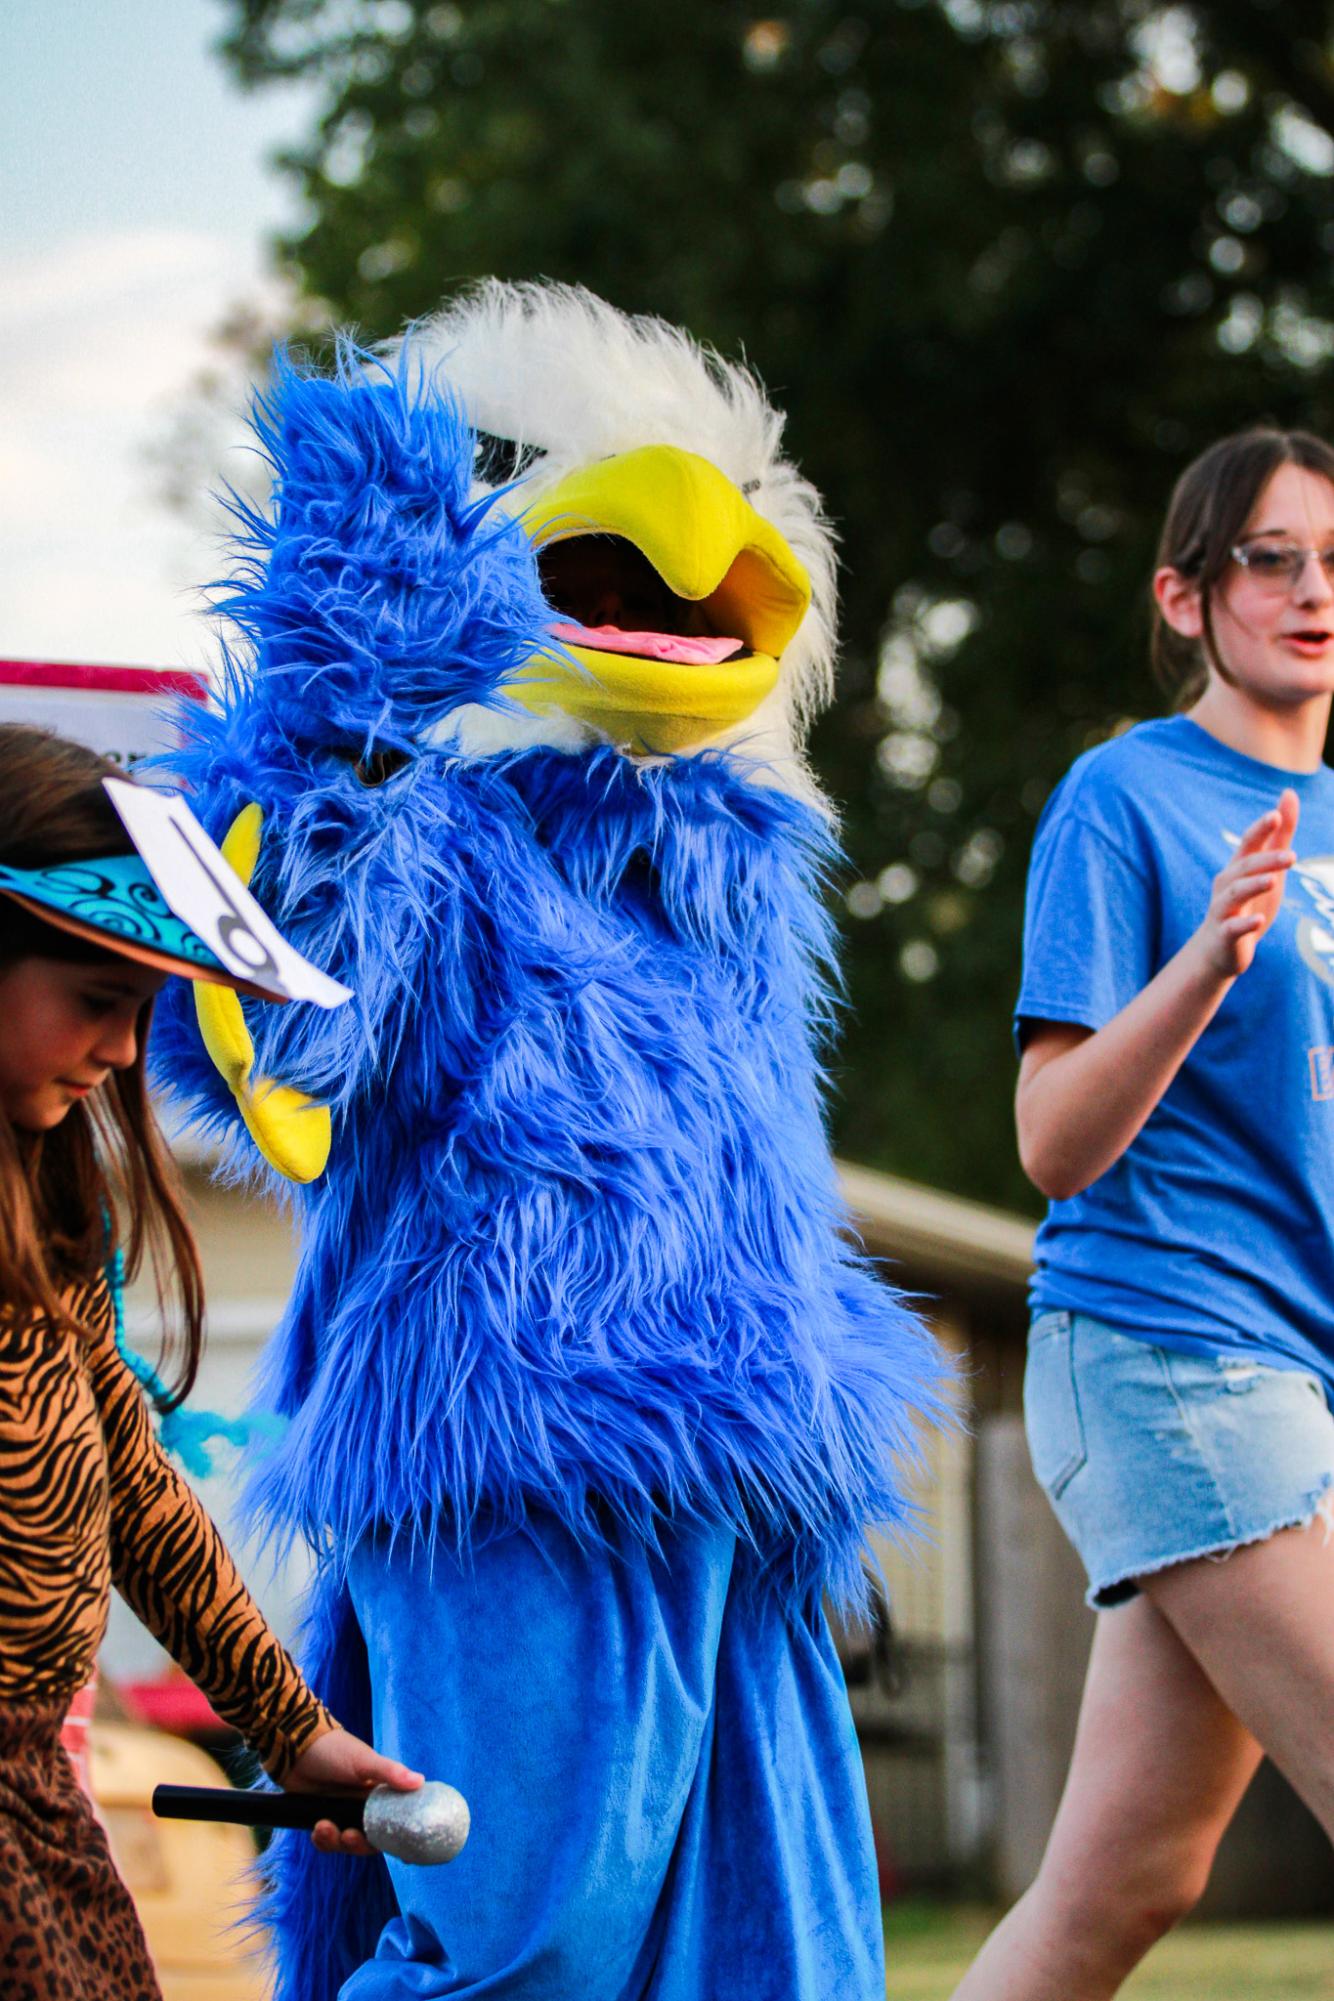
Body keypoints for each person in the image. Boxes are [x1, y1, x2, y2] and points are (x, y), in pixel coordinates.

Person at [953, 427, 1334, 2001]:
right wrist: (1200, 964)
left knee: (1121, 1887)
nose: (1313, 590)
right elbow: (1051, 1141)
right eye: (1271, 556)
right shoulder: (1126, 798)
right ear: (1185, 597)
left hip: (1290, 1374)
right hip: (1171, 1353)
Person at [0, 724, 421, 2001]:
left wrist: (292, 1730)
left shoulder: (46, 1198)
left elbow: (130, 1482)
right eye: (95, 1001)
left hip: (34, 1815)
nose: (127, 1053)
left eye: (141, 1013)